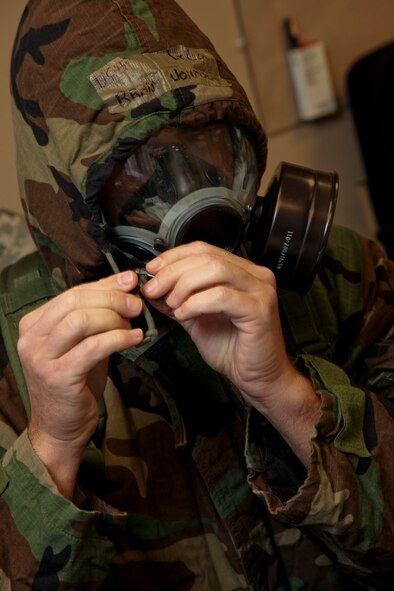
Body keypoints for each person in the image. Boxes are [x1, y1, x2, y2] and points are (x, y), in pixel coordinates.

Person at [0, 0, 393, 589]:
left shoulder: (348, 275)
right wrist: (53, 447)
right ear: (72, 208)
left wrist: (290, 395)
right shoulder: (15, 353)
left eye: (204, 141)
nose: (185, 188)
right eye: (138, 165)